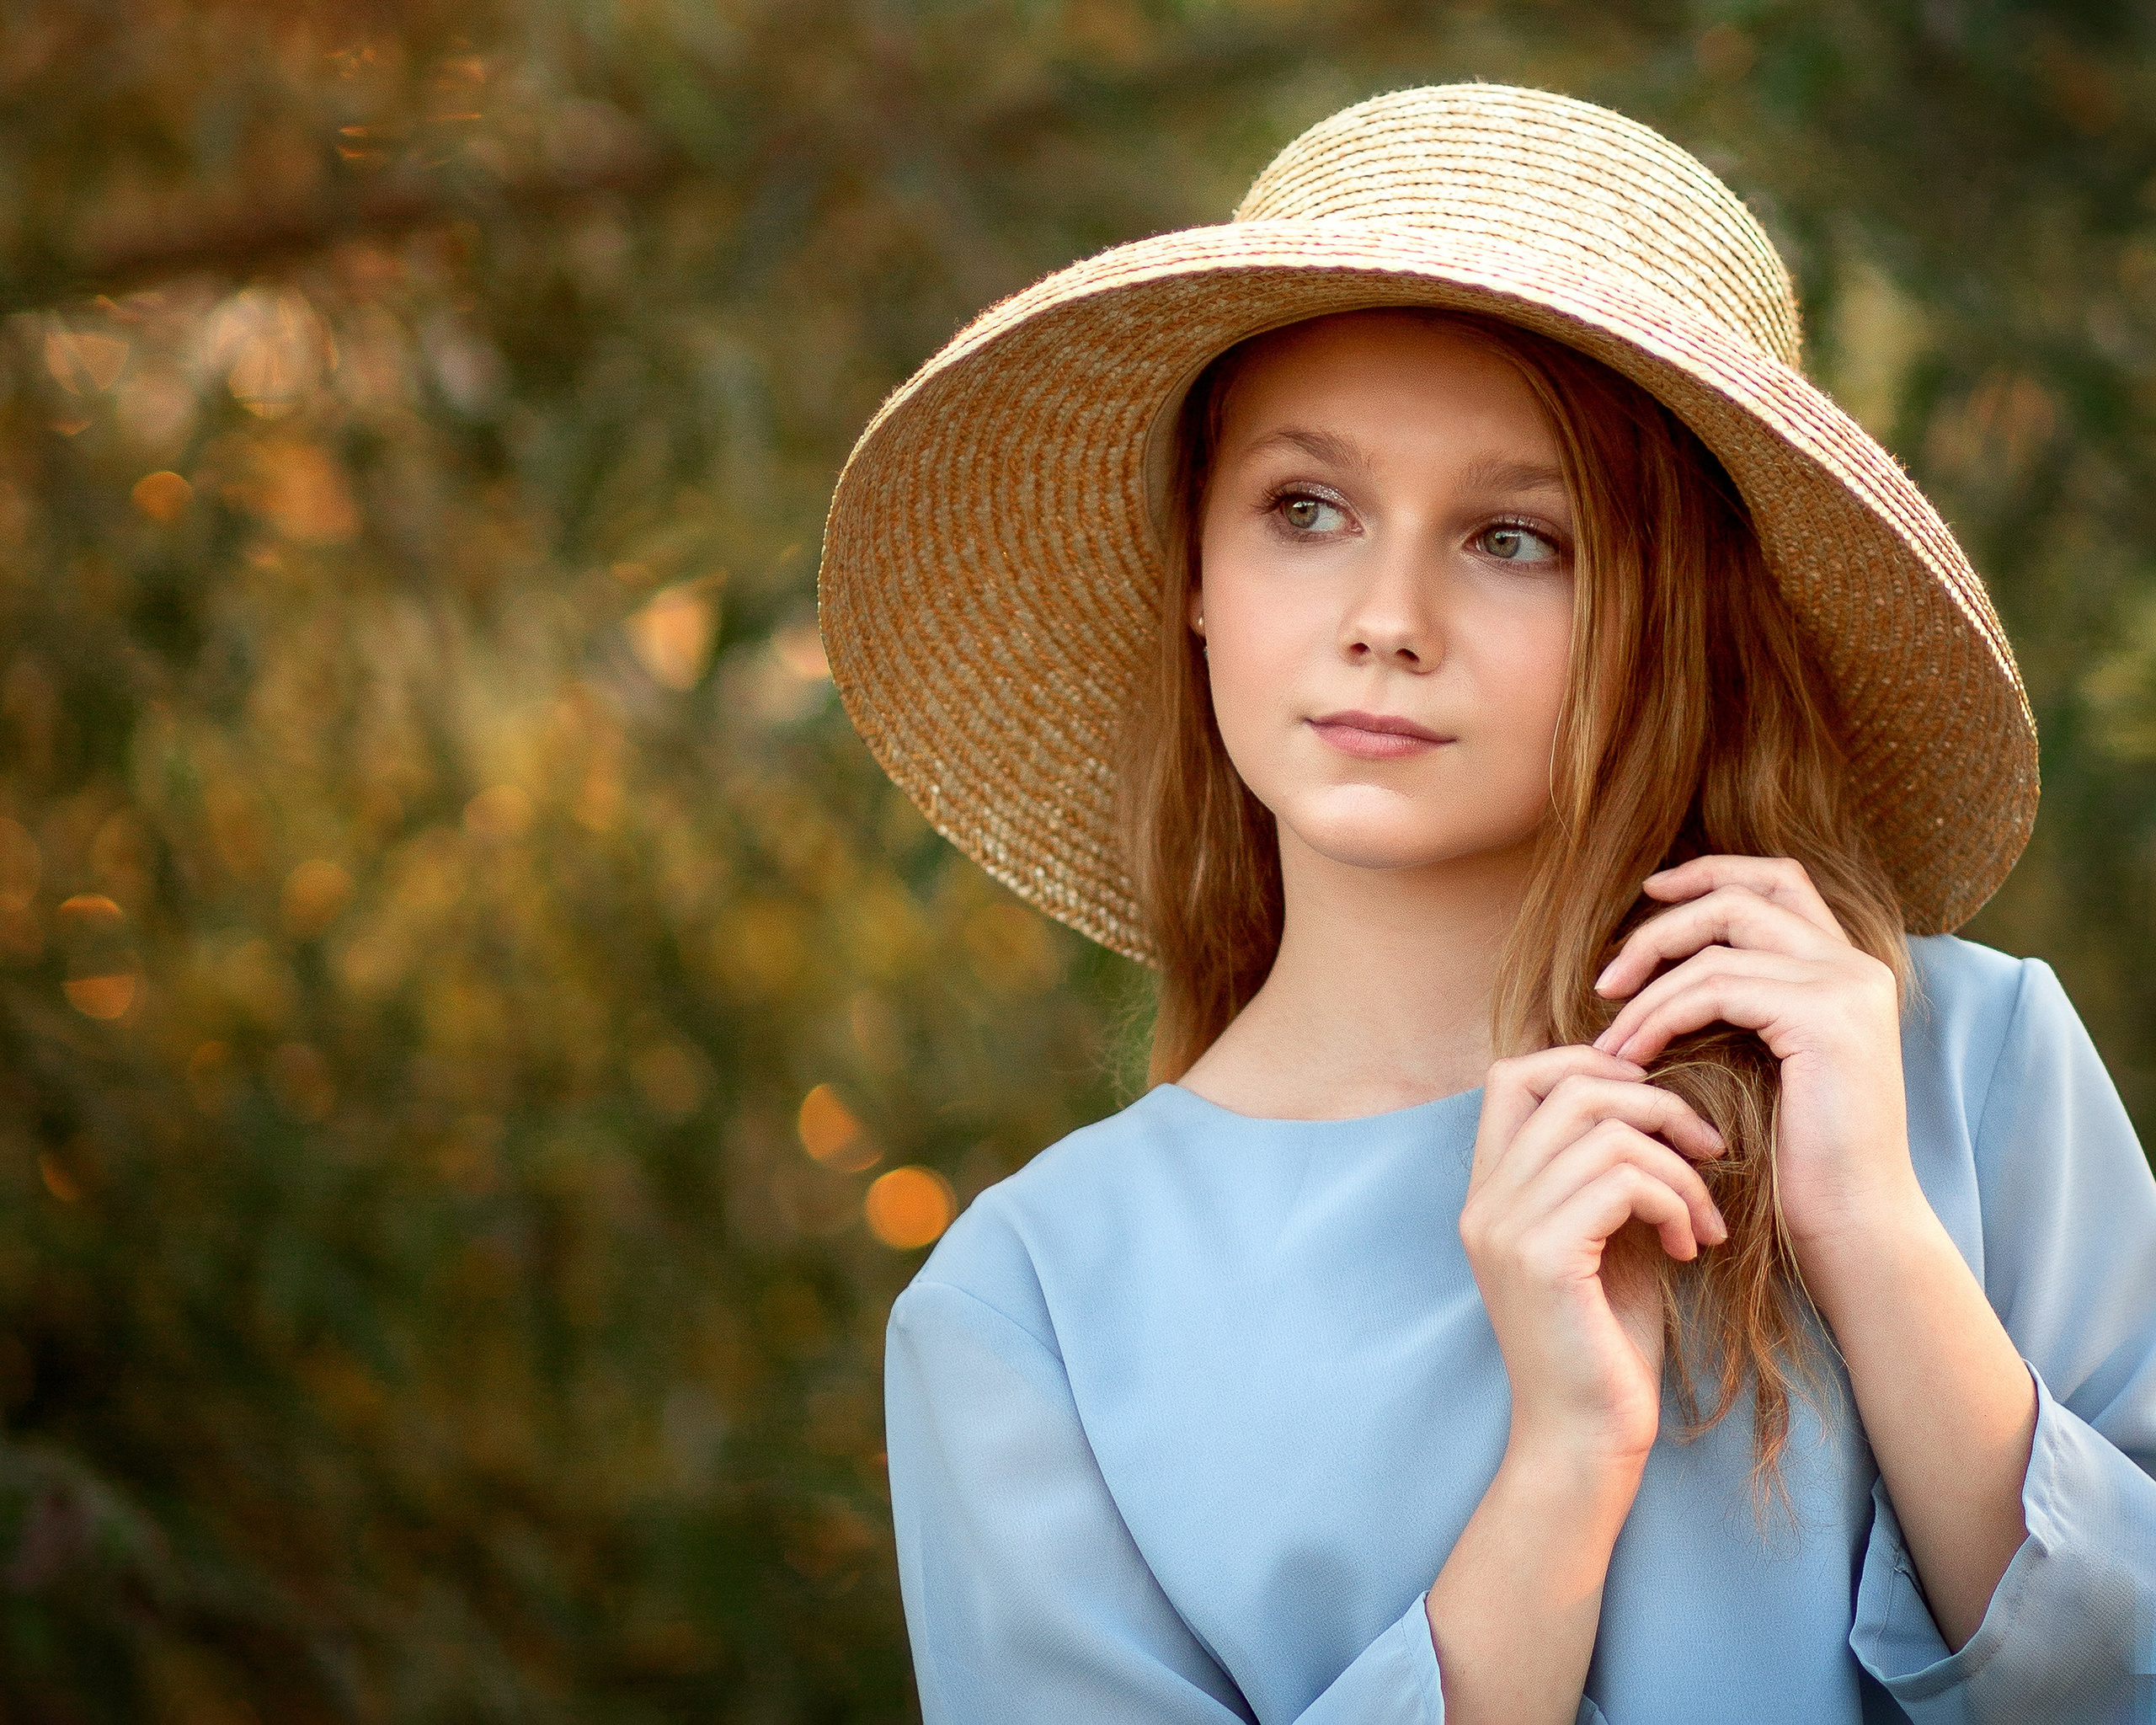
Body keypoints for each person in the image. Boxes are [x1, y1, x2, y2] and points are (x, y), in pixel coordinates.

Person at [815, 83, 2156, 1723]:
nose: (1384, 617)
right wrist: (1555, 1477)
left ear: (1677, 614)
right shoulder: (1026, 1302)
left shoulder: (1957, 1064)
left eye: (1514, 538)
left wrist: (1871, 1234)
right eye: (1303, 509)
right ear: (1193, 568)